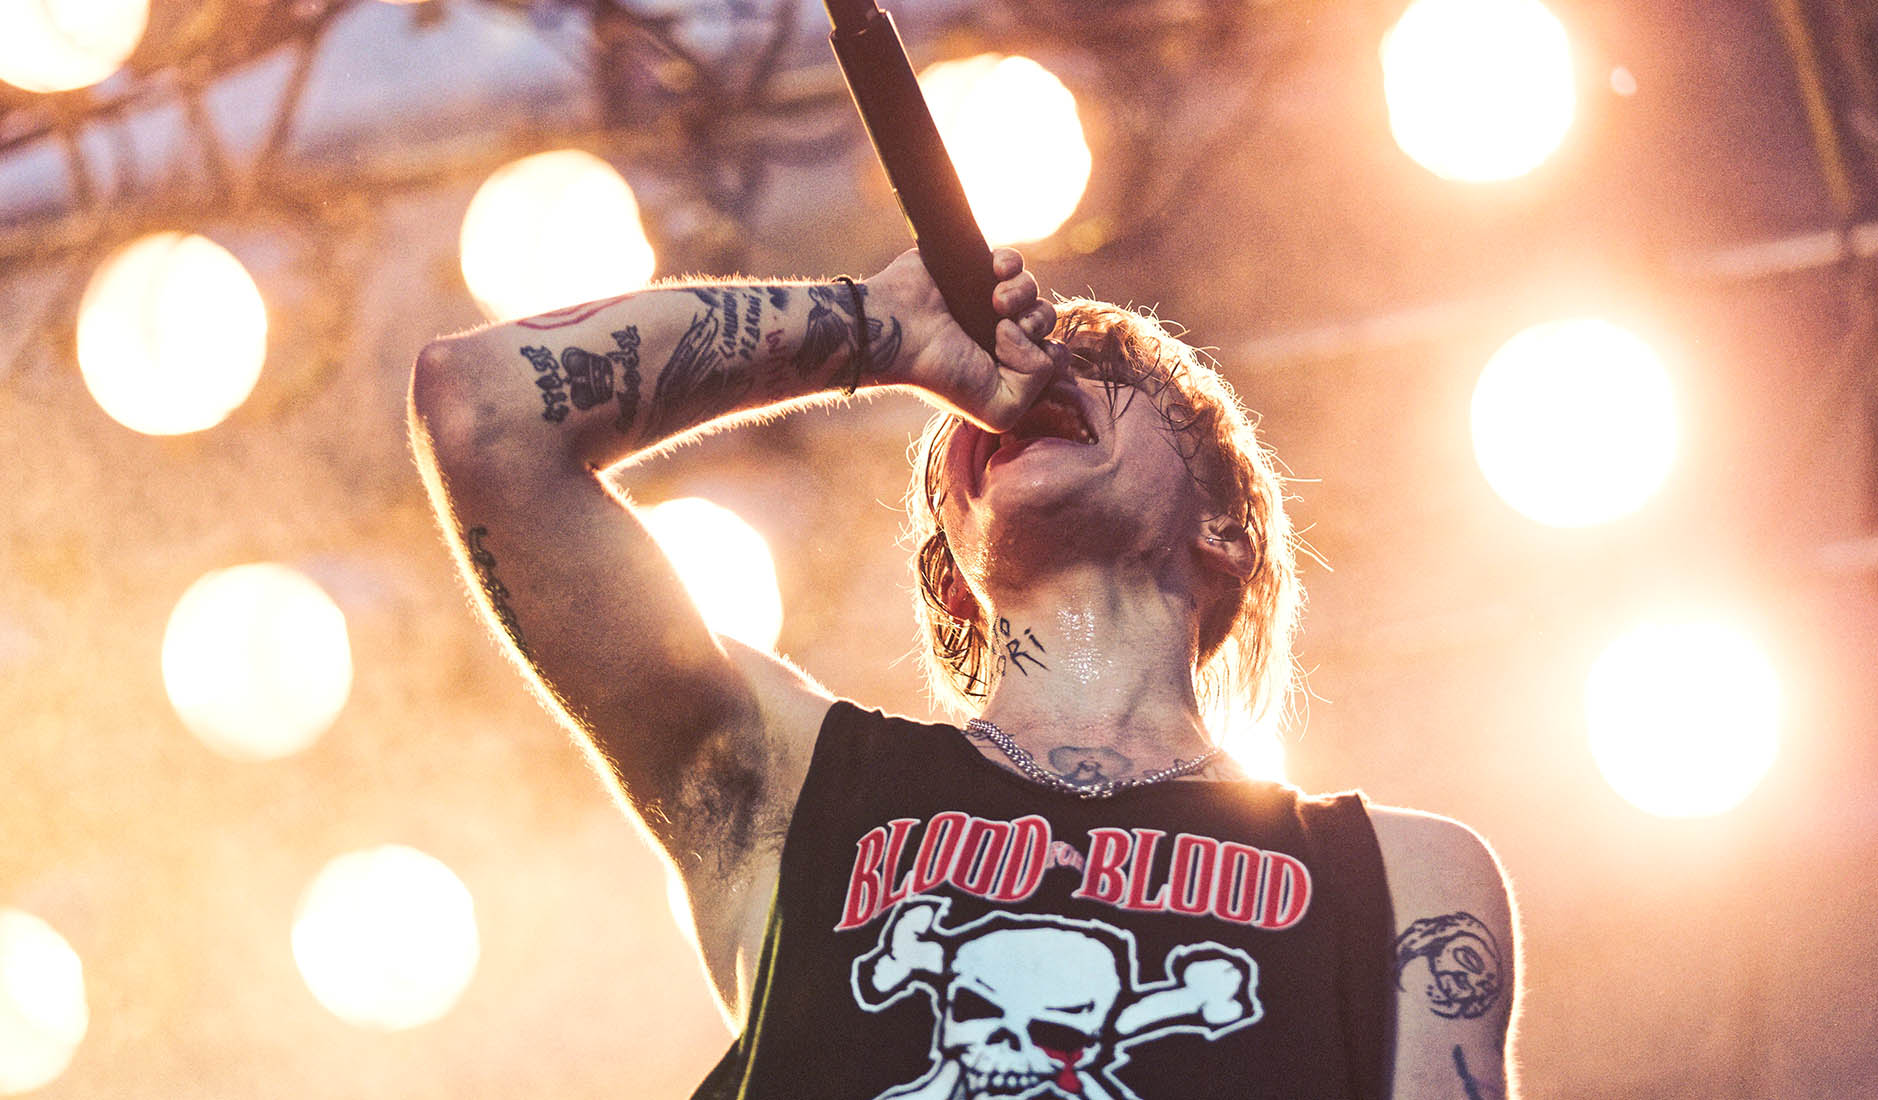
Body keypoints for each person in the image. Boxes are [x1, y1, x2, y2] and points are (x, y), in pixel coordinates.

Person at [409, 247, 1519, 1099]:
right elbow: (483, 406)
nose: (1038, 373)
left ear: (1226, 529)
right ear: (952, 566)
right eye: (977, 394)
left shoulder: (1403, 880)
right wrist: (877, 330)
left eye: (1113, 370)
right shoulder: (801, 784)